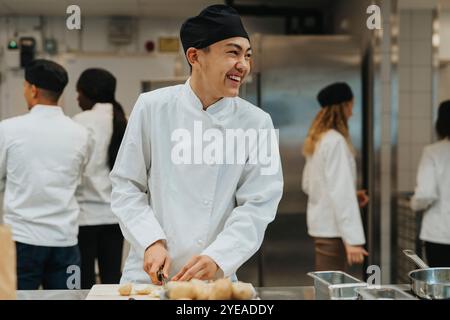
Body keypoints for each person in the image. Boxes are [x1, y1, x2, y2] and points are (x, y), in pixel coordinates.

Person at [110, 4, 283, 284]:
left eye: (248, 55)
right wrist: (151, 240)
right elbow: (126, 185)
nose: (244, 65)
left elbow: (259, 204)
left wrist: (219, 257)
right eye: (233, 52)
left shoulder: (257, 122)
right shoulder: (153, 107)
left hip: (214, 278)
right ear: (195, 56)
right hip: (149, 276)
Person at [0, 59, 92, 289]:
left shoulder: (7, 130)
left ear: (32, 89)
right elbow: (78, 177)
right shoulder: (82, 134)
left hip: (21, 241)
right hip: (66, 242)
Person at [302, 82, 368, 271]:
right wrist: (353, 240)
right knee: (330, 291)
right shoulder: (336, 141)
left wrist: (353, 196)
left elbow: (309, 185)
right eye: (351, 106)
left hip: (322, 229)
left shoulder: (318, 139)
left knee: (328, 287)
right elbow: (341, 192)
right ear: (344, 107)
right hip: (334, 232)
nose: (352, 113)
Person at [74, 69, 127, 289]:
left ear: (89, 93)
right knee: (112, 283)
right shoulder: (125, 120)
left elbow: (73, 169)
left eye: (78, 93)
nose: (77, 98)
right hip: (115, 219)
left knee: (82, 285)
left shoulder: (79, 122)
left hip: (84, 218)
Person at [410, 100, 450, 267]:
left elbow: (425, 194)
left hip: (439, 234)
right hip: (439, 232)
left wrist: (414, 203)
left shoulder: (433, 152)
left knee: (442, 289)